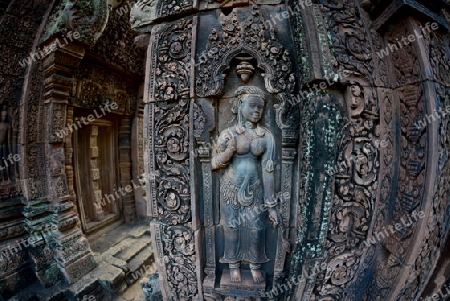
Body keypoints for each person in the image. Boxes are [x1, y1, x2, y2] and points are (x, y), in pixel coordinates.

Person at [212, 86, 281, 284]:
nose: (257, 111)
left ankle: (255, 265)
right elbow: (214, 163)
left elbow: (269, 171)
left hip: (256, 188)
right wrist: (229, 150)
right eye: (252, 106)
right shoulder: (228, 134)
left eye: (260, 107)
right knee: (231, 227)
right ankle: (233, 265)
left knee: (256, 227)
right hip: (230, 188)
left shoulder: (266, 136)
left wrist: (271, 206)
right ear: (239, 105)